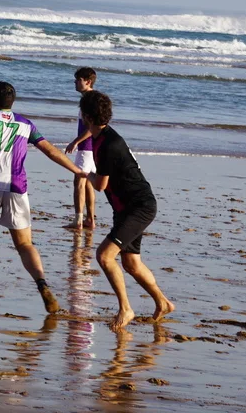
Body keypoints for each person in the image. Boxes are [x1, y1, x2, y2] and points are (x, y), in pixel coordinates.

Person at [0, 81, 82, 314]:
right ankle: (42, 284)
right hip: (16, 188)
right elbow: (49, 150)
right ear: (12, 103)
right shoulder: (26, 124)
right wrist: (77, 170)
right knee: (24, 244)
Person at [77, 91, 175, 330]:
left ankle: (126, 309)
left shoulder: (108, 144)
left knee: (104, 256)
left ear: (87, 117)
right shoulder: (102, 136)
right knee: (131, 263)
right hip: (126, 208)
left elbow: (100, 185)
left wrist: (82, 173)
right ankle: (163, 303)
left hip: (139, 207)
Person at [64, 67, 98, 230]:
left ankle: (78, 220)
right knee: (88, 182)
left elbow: (92, 127)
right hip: (92, 148)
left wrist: (75, 142)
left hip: (87, 148)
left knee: (79, 181)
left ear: (88, 81)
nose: (75, 83)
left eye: (78, 80)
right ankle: (90, 219)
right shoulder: (92, 98)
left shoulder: (89, 100)